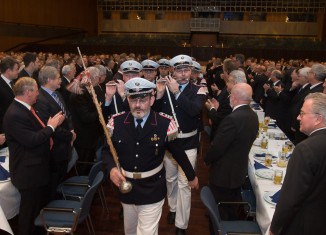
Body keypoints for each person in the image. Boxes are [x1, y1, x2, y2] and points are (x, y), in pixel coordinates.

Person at [102, 77, 199, 235]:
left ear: (152, 99)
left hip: (152, 189)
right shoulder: (116, 122)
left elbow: (178, 152)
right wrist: (112, 168)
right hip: (126, 188)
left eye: (143, 100)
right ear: (128, 99)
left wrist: (191, 175)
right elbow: (106, 150)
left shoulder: (165, 124)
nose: (138, 105)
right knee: (130, 231)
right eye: (133, 100)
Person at [3, 77, 64, 235]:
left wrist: (48, 125)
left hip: (36, 169)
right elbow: (32, 140)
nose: (38, 93)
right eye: (36, 90)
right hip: (28, 173)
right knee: (28, 215)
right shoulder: (15, 113)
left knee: (36, 210)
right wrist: (51, 126)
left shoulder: (26, 108)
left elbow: (35, 131)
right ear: (28, 92)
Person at [154, 54, 206, 234]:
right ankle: (173, 208)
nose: (183, 74)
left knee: (185, 185)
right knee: (170, 179)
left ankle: (181, 225)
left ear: (191, 71)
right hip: (170, 143)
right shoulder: (164, 87)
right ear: (173, 71)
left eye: (186, 70)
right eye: (179, 70)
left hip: (189, 143)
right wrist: (160, 95)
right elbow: (155, 114)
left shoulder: (199, 89)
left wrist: (176, 92)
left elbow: (194, 110)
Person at [270, 93, 326, 235]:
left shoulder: (306, 149)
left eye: (302, 113)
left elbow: (290, 200)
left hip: (303, 225)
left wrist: (274, 228)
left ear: (318, 119)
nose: (298, 117)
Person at [205, 83, 259, 220]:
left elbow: (217, 147)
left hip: (223, 175)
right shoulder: (253, 115)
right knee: (231, 208)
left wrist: (207, 159)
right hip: (238, 173)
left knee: (221, 213)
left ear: (233, 97)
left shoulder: (233, 119)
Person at [34, 66, 76, 199]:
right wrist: (70, 135)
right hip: (56, 149)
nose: (60, 81)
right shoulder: (40, 99)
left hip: (65, 145)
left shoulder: (57, 94)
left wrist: (71, 129)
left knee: (61, 177)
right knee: (53, 182)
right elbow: (51, 127)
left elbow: (67, 113)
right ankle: (52, 208)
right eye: (58, 78)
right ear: (48, 80)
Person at [69, 67, 103, 174]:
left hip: (90, 136)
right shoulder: (80, 93)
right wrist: (98, 110)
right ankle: (83, 187)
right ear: (95, 77)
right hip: (84, 137)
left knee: (89, 163)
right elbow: (86, 117)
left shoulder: (89, 89)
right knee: (83, 165)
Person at [0, 56, 19, 150]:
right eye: (16, 69)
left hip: (14, 127)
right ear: (8, 71)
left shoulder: (12, 82)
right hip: (4, 131)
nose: (18, 72)